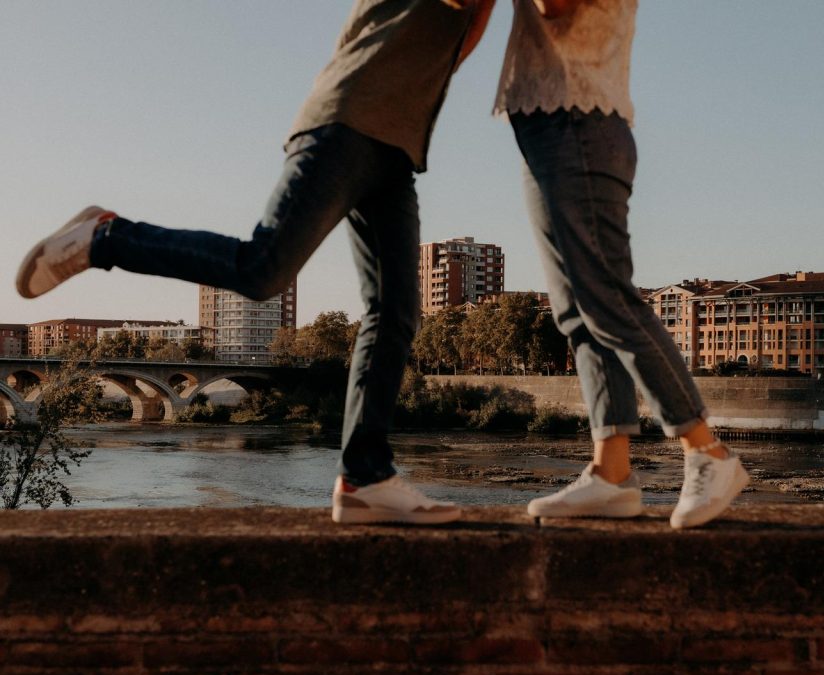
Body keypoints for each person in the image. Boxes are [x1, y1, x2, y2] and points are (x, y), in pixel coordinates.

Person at [16, 0, 496, 525]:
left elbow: (456, 46)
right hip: (347, 121)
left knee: (396, 313)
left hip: (397, 150)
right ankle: (105, 239)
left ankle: (367, 478)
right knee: (264, 269)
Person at [494, 0, 749, 528]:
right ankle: (611, 473)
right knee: (576, 311)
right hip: (543, 126)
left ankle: (708, 452)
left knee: (607, 299)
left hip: (579, 122)